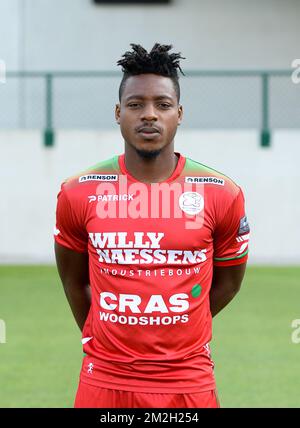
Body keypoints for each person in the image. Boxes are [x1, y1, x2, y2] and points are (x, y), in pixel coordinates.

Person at [54, 43, 250, 408]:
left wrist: (180, 322)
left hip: (187, 382)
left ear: (179, 113)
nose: (149, 115)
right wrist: (103, 335)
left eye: (162, 105)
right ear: (117, 113)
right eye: (135, 104)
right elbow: (73, 280)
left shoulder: (221, 193)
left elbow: (229, 282)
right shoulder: (79, 192)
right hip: (105, 380)